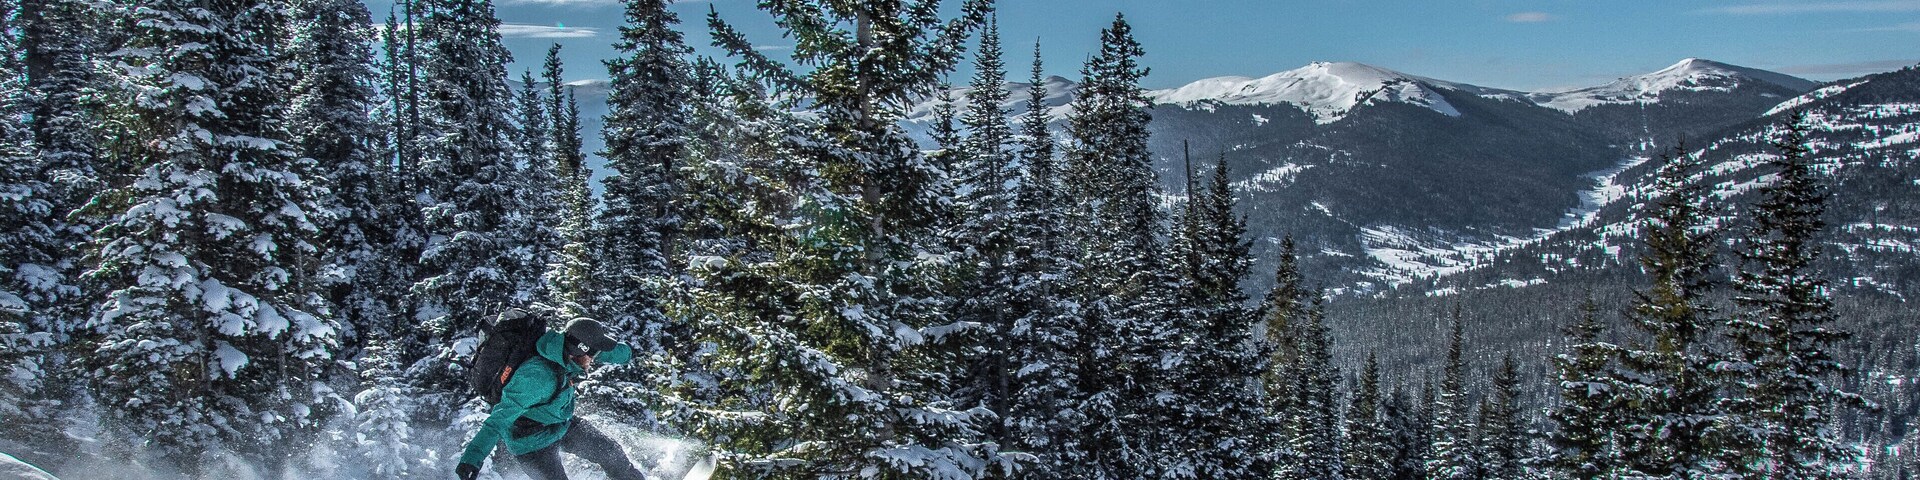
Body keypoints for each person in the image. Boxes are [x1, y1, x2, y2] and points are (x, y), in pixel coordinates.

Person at [456, 314, 645, 480]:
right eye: (592, 353)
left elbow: (604, 352)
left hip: (559, 423)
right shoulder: (536, 378)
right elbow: (499, 420)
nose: (594, 358)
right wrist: (472, 460)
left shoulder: (567, 347)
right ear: (579, 350)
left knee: (611, 453)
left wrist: (630, 353)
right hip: (531, 442)